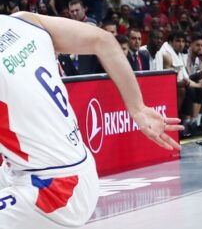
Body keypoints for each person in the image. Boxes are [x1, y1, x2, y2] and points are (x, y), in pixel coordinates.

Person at [0, 12, 181, 229]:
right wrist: (137, 108)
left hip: (54, 189)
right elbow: (103, 40)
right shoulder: (23, 21)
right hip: (76, 167)